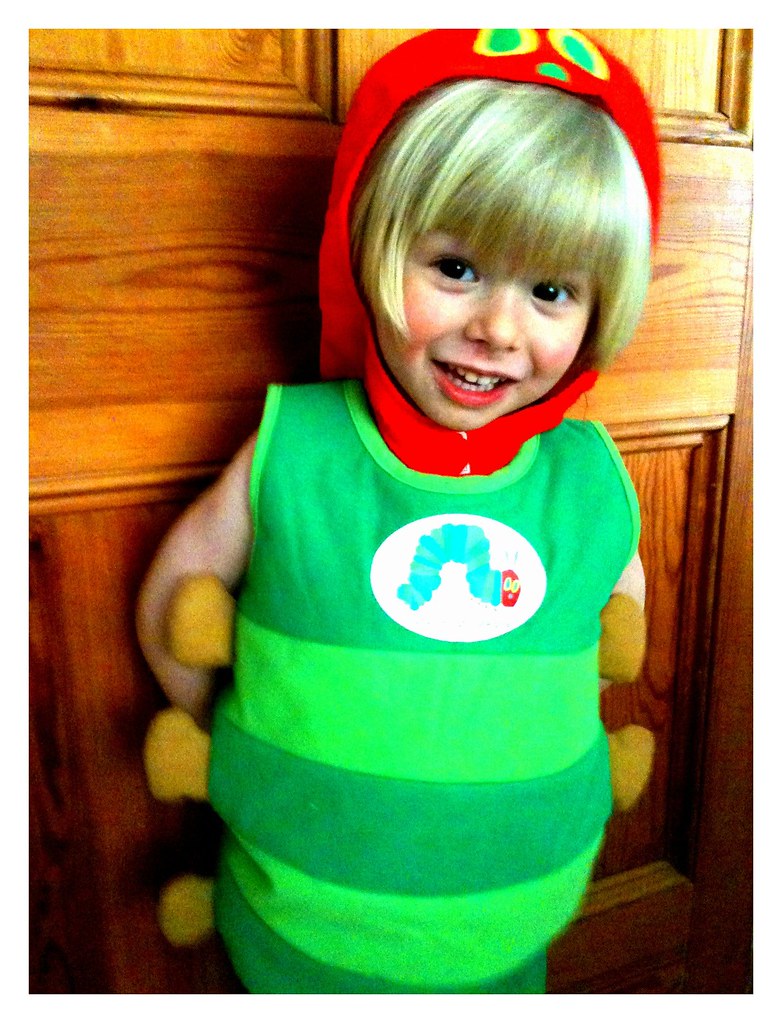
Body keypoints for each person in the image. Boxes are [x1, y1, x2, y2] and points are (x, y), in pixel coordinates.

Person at [137, 29, 661, 993]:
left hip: (509, 943)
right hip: (300, 942)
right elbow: (174, 597)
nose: (497, 328)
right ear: (372, 247)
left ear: (600, 310)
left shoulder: (591, 477)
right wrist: (248, 734)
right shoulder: (297, 448)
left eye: (551, 290)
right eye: (456, 268)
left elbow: (607, 624)